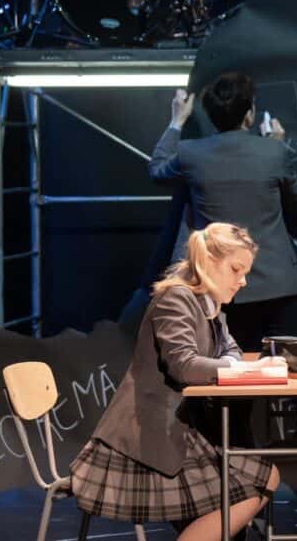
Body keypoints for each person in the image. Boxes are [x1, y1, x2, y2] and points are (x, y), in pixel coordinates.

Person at [70, 223, 284, 539]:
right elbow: (184, 366)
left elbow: (231, 350)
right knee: (257, 483)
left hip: (183, 429)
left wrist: (237, 364)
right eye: (236, 269)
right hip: (151, 436)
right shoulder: (176, 299)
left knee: (261, 479)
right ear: (209, 262)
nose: (243, 281)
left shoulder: (210, 307)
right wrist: (241, 368)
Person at [150, 72, 297, 350]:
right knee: (279, 365)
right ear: (249, 114)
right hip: (274, 286)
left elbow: (157, 170)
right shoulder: (273, 152)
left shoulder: (191, 154)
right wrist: (274, 145)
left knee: (224, 366)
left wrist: (177, 121)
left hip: (217, 287)